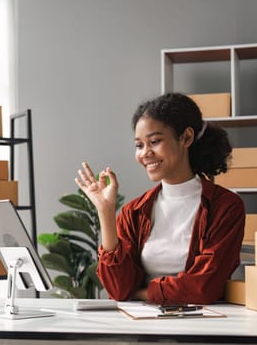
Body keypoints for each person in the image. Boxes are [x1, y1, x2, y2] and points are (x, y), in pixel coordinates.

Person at [75, 92, 245, 305]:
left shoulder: (226, 207)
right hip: (143, 324)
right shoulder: (133, 211)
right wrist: (106, 212)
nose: (145, 153)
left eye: (154, 141)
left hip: (203, 326)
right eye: (139, 145)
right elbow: (118, 289)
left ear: (186, 138)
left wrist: (140, 293)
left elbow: (204, 288)